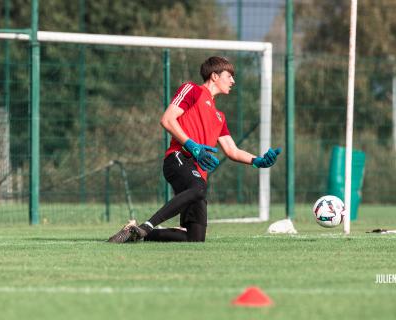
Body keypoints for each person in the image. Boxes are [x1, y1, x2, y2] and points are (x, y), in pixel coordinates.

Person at [108, 56, 281, 243]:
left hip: (197, 175)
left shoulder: (219, 116)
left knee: (195, 238)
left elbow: (232, 150)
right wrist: (192, 146)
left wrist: (258, 161)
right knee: (199, 187)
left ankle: (135, 233)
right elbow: (167, 119)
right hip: (178, 158)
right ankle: (146, 227)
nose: (233, 81)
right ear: (214, 76)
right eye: (229, 75)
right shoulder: (192, 90)